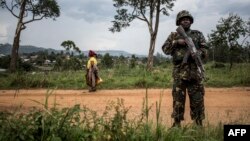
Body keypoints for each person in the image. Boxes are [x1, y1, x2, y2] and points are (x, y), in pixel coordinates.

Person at [162, 10, 208, 127]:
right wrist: (177, 42)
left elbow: (205, 50)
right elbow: (165, 49)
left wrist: (198, 53)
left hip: (194, 73)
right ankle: (176, 124)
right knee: (178, 101)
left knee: (197, 99)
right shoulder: (173, 35)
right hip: (179, 73)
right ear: (179, 22)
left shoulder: (198, 34)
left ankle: (198, 124)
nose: (186, 20)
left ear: (191, 21)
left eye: (188, 19)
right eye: (183, 19)